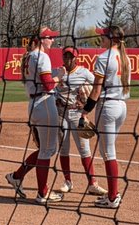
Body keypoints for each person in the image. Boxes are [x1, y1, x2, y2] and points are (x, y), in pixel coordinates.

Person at [5, 27, 64, 204]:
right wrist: (59, 77)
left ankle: (16, 176)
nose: (52, 41)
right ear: (41, 39)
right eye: (50, 38)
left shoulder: (29, 55)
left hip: (34, 104)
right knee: (47, 150)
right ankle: (42, 193)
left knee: (47, 149)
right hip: (44, 104)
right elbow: (48, 85)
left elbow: (40, 79)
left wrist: (54, 75)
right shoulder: (42, 56)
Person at [82, 25, 131, 209]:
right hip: (121, 107)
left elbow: (96, 89)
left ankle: (112, 197)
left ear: (112, 39)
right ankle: (112, 195)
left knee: (108, 153)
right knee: (106, 151)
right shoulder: (125, 57)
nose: (100, 38)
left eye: (103, 35)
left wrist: (85, 111)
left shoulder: (103, 58)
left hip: (107, 107)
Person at [53, 44, 105, 196]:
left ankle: (92, 183)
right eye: (65, 56)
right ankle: (67, 181)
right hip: (60, 113)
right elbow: (51, 87)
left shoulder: (83, 72)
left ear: (76, 58)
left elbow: (98, 85)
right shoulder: (58, 71)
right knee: (63, 149)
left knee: (84, 149)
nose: (68, 59)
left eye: (70, 56)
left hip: (77, 114)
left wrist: (86, 103)